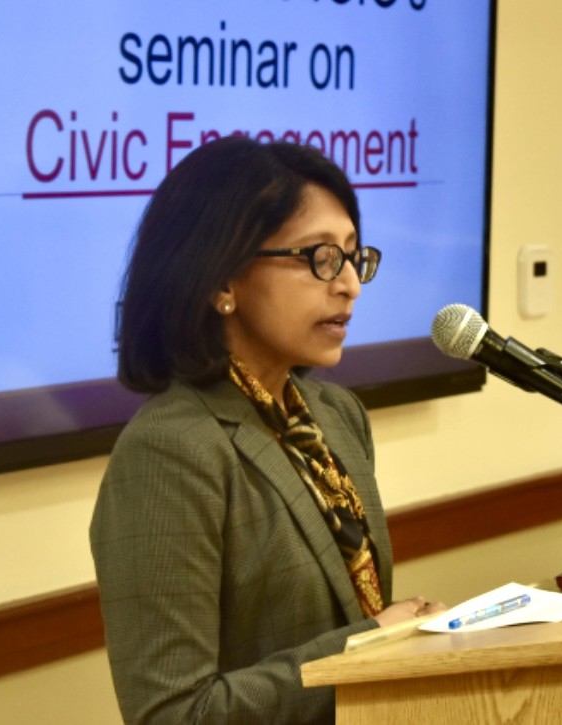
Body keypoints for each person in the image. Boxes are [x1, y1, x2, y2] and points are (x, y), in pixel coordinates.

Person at [90, 136, 437, 724]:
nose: (349, 283)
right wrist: (364, 650)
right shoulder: (169, 452)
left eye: (354, 256)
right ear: (222, 280)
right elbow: (173, 713)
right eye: (320, 258)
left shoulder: (335, 416)